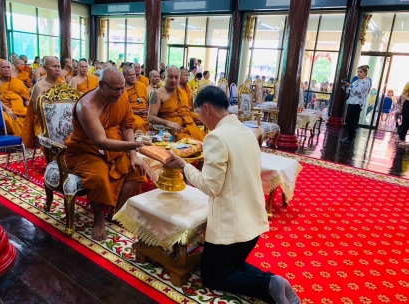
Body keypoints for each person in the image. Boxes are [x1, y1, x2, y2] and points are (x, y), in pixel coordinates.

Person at [165, 86, 300, 304]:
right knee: (228, 266)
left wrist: (183, 166)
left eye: (199, 113)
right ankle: (276, 282)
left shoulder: (216, 137)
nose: (200, 120)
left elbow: (210, 187)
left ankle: (269, 284)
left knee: (212, 275)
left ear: (207, 108)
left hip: (233, 227)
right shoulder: (247, 131)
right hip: (253, 221)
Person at [64, 67, 151, 240]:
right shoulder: (86, 105)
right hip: (86, 151)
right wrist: (136, 144)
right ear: (102, 85)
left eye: (123, 87)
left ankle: (116, 213)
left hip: (115, 145)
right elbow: (100, 142)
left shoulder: (122, 96)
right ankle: (98, 219)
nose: (120, 92)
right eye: (116, 89)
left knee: (137, 170)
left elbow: (127, 125)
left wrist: (133, 154)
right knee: (98, 177)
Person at [148, 66, 205, 141]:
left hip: (186, 127)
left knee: (207, 139)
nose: (173, 80)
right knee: (193, 144)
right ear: (164, 77)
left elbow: (185, 112)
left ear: (179, 78)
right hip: (168, 131)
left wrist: (200, 117)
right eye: (170, 77)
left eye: (176, 77)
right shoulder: (158, 94)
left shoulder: (182, 92)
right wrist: (167, 123)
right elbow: (150, 117)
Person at [22, 57, 64, 148]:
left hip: (62, 119)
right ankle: (53, 158)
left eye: (58, 66)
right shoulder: (39, 87)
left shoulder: (62, 83)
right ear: (45, 68)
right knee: (52, 134)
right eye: (54, 66)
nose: (57, 69)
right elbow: (37, 110)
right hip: (43, 121)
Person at [0, 60, 30, 136]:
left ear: (12, 69)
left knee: (32, 116)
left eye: (8, 67)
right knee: (7, 118)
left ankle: (28, 142)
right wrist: (7, 110)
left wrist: (31, 109)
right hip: (2, 108)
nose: (6, 69)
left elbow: (26, 99)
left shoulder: (18, 82)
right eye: (3, 67)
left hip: (19, 108)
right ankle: (15, 140)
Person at [341, 65, 371, 144]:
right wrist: (345, 85)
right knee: (349, 120)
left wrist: (350, 85)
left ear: (365, 73)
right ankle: (350, 136)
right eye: (358, 72)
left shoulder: (366, 81)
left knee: (351, 120)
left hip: (358, 104)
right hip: (352, 102)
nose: (359, 73)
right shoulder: (357, 81)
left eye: (361, 72)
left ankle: (350, 138)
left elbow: (358, 90)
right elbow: (350, 89)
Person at [123, 67, 149, 132]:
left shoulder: (142, 86)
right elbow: (122, 109)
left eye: (134, 74)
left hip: (145, 113)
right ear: (124, 76)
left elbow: (147, 101)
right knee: (138, 124)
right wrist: (137, 112)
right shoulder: (122, 89)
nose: (133, 77)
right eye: (130, 75)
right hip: (132, 114)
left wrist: (148, 111)